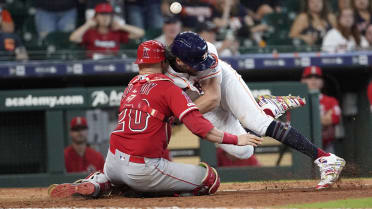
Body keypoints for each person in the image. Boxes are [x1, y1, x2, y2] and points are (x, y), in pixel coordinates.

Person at [49, 40, 263, 198]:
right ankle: (139, 189)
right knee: (210, 179)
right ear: (163, 62)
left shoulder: (131, 84)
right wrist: (237, 140)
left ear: (139, 62)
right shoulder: (168, 86)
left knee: (123, 174)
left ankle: (100, 183)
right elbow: (199, 128)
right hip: (143, 167)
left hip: (112, 160)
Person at [165, 31, 346, 190]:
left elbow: (213, 98)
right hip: (197, 100)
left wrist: (179, 116)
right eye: (196, 63)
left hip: (221, 87)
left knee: (257, 123)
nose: (202, 65)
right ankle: (265, 109)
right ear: (179, 60)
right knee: (243, 151)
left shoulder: (208, 52)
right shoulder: (161, 65)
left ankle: (326, 159)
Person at [69, 3, 144, 59]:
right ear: (95, 17)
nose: (105, 18)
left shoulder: (117, 31)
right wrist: (87, 25)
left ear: (112, 17)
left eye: (108, 15)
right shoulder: (90, 32)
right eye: (101, 14)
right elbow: (73, 38)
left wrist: (122, 26)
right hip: (93, 63)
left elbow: (140, 33)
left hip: (114, 62)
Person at [301, 66, 342, 153]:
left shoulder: (331, 101)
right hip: (302, 148)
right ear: (302, 81)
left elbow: (333, 119)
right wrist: (322, 119)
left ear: (322, 82)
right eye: (309, 77)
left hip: (326, 146)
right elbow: (296, 125)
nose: (313, 80)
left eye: (317, 77)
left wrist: (309, 120)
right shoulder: (296, 101)